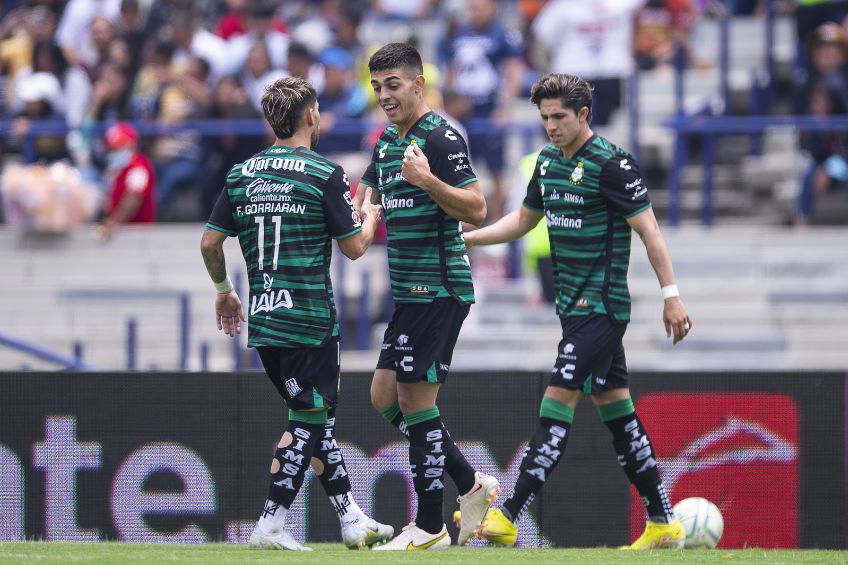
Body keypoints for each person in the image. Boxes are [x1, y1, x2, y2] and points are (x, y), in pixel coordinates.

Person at [462, 73, 693, 550]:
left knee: (557, 401)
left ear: (584, 114)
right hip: (572, 311)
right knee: (618, 414)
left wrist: (671, 294)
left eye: (559, 117)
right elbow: (521, 222)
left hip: (602, 309)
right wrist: (466, 238)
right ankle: (663, 522)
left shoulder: (612, 163)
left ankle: (507, 515)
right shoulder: (546, 162)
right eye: (544, 117)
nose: (550, 126)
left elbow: (650, 230)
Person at [200, 76, 393, 551]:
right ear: (312, 116)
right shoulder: (323, 173)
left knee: (313, 416)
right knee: (308, 420)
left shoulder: (242, 173)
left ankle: (352, 519)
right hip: (308, 320)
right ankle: (270, 522)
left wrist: (225, 290)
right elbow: (354, 249)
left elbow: (209, 241)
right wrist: (370, 215)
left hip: (264, 321)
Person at [353, 42, 499, 551]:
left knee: (415, 401)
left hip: (439, 288)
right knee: (382, 398)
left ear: (419, 84)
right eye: (377, 88)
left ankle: (432, 526)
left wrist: (427, 179)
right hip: (408, 293)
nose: (384, 96)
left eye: (393, 85)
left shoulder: (441, 137)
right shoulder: (387, 142)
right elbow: (366, 194)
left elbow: (477, 208)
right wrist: (362, 207)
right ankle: (473, 484)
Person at [97, 122, 155, 239]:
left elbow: (134, 197)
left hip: (136, 234)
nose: (113, 152)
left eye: (117, 148)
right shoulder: (118, 169)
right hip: (122, 231)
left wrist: (113, 223)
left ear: (130, 145)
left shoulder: (138, 166)